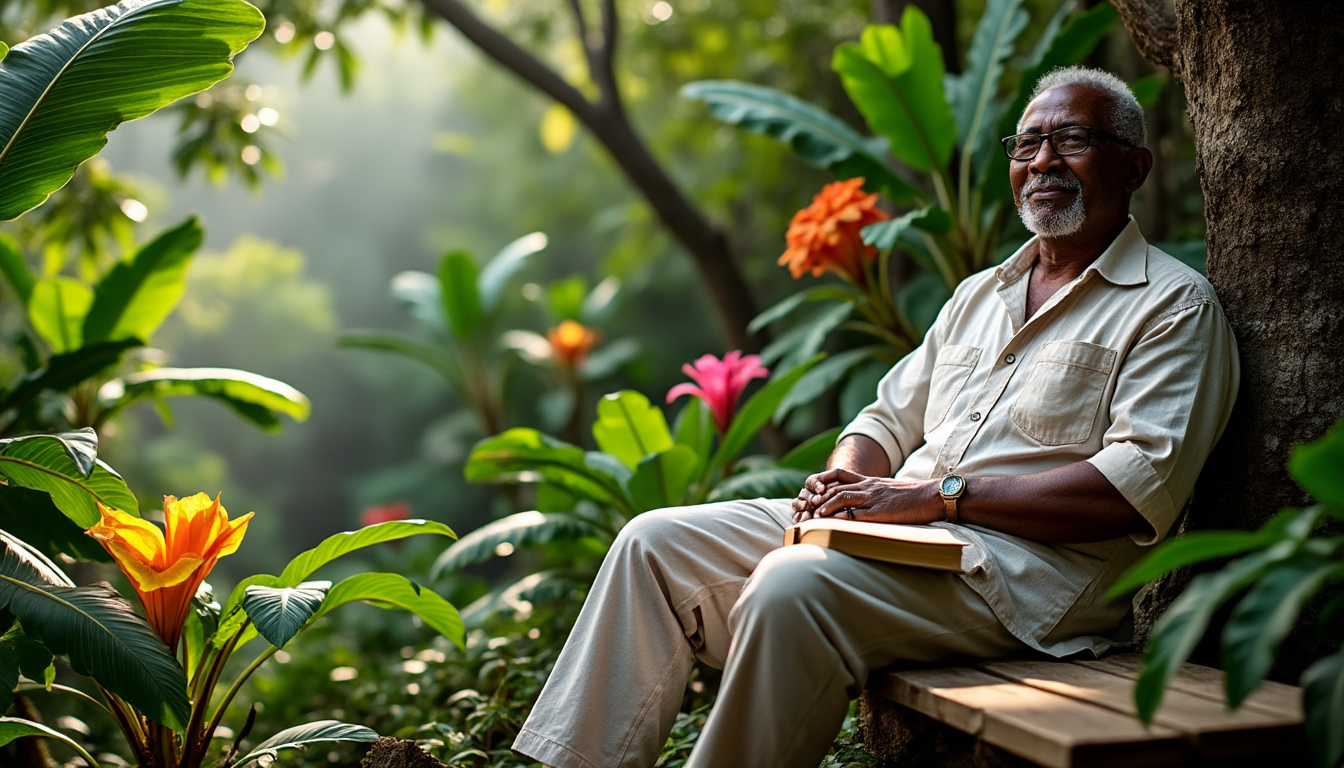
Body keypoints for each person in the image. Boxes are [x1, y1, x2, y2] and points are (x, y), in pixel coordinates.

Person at [511, 66, 1240, 768]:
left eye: (1072, 140)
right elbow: (883, 419)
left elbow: (1130, 488)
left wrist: (932, 498)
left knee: (791, 586)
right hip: (906, 535)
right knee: (652, 543)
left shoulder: (1173, 306)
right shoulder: (981, 294)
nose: (1043, 160)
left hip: (1022, 586)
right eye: (1026, 144)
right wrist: (850, 489)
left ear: (1135, 168)